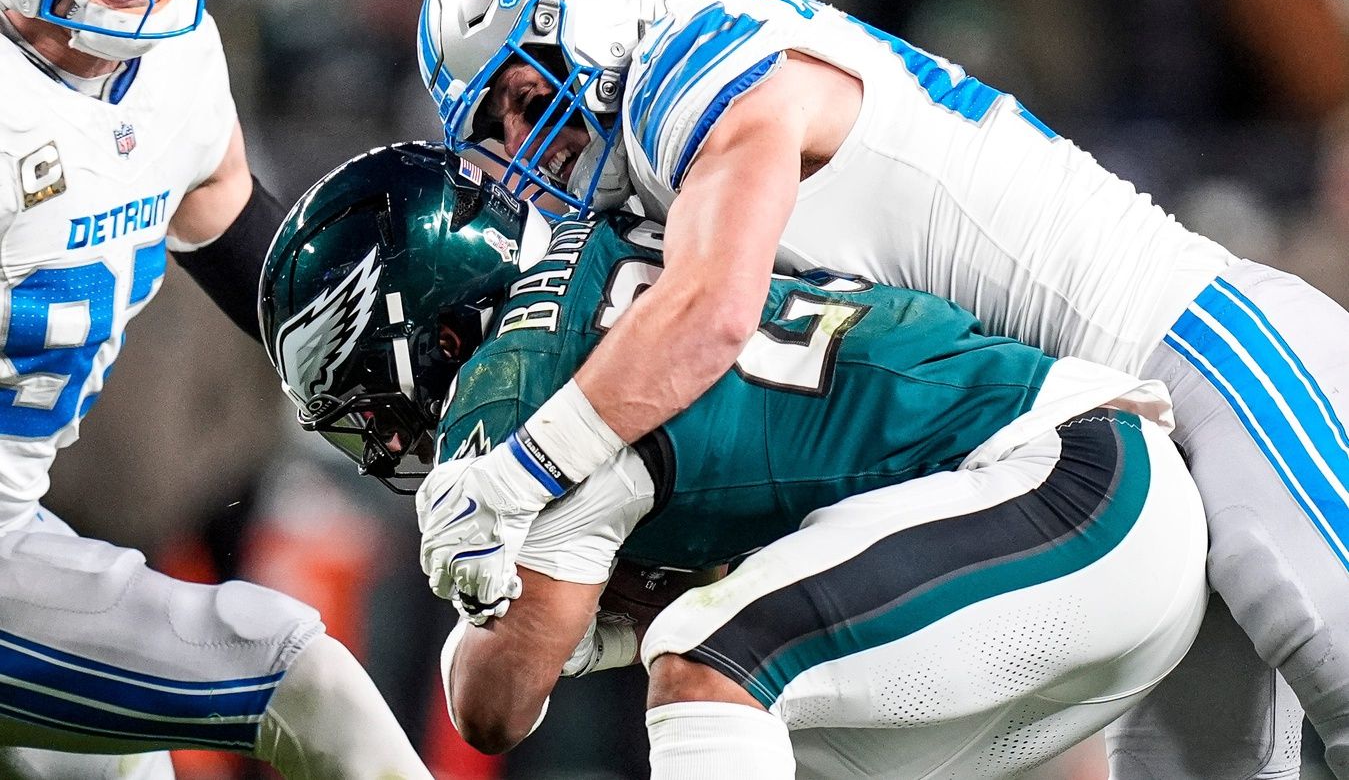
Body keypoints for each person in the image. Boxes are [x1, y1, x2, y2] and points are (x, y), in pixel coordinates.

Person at [417, 0, 1349, 780]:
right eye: (495, 126)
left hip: (1214, 348)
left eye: (521, 95)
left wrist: (519, 472)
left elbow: (712, 314)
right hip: (1108, 440)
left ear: (596, 17)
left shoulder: (691, 65)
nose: (522, 140)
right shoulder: (671, 179)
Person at [257, 141, 1209, 779]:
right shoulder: (619, 243)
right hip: (1093, 516)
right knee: (782, 734)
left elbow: (494, 702)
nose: (388, 442)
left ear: (430, 329)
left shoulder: (512, 382)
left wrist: (522, 618)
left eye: (371, 406)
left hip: (1065, 490)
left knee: (706, 668)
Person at [0, 0, 432, 777]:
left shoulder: (176, 63)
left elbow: (247, 249)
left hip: (20, 529)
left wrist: (444, 399)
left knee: (128, 763)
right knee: (305, 682)